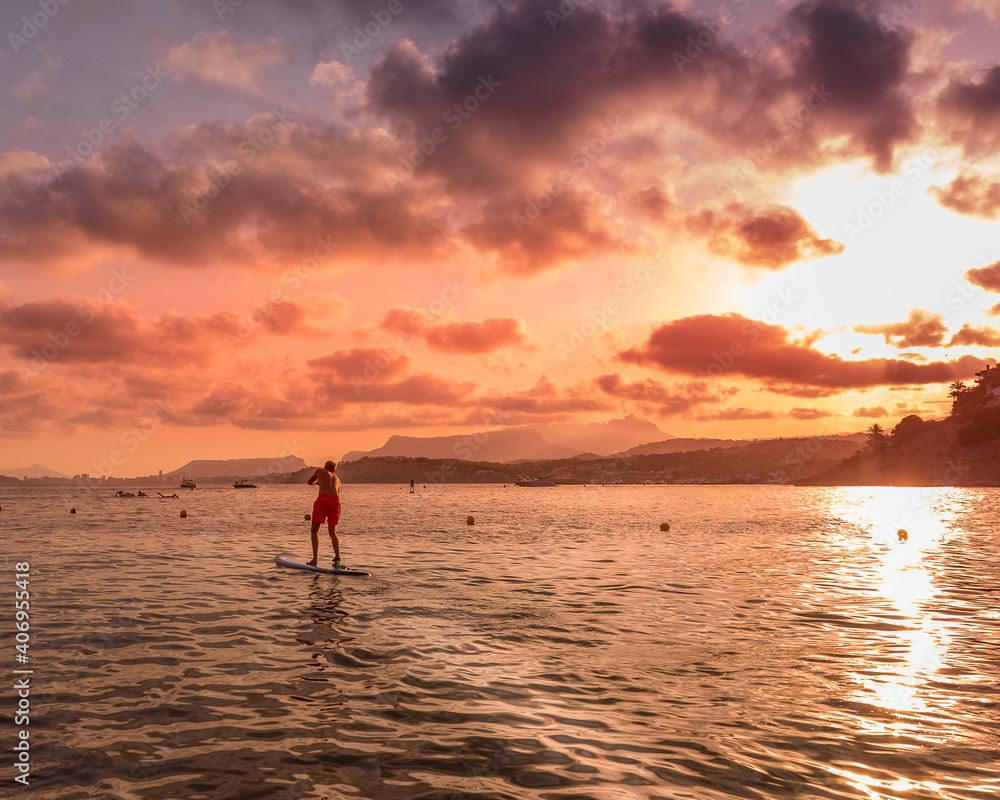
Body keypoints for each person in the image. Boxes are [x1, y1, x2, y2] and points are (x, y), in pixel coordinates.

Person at [308, 460, 343, 568]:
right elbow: (337, 492)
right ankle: (337, 559)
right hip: (336, 501)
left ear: (324, 466)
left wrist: (317, 483)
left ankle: (314, 559)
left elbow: (309, 482)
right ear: (334, 470)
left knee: (314, 530)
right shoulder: (337, 479)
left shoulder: (320, 471)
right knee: (332, 531)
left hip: (323, 499)